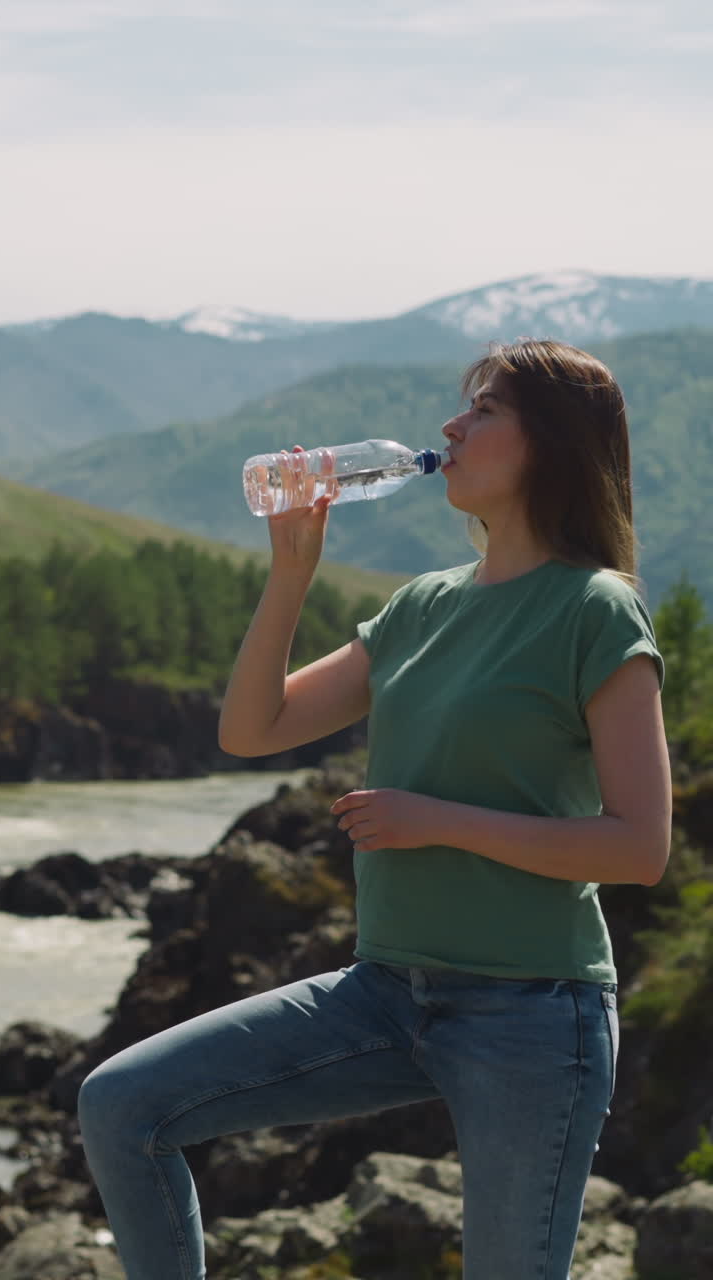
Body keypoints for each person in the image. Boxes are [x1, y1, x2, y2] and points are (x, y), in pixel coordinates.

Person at [77, 338, 672, 1279]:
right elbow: (252, 726)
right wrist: (291, 571)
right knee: (122, 1106)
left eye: (483, 410)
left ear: (549, 446)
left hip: (532, 1015)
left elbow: (639, 848)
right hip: (384, 992)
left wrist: (436, 820)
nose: (450, 426)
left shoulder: (595, 611)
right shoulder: (421, 608)